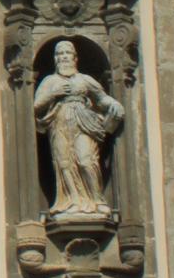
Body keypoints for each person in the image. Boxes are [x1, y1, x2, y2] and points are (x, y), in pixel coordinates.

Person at [34, 39, 123, 215]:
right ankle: (71, 201)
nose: (64, 57)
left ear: (75, 58)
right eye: (60, 54)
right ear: (55, 59)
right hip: (58, 123)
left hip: (83, 122)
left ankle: (96, 200)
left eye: (67, 53)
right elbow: (36, 106)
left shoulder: (85, 80)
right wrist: (53, 94)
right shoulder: (50, 81)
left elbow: (101, 98)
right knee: (64, 163)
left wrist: (114, 104)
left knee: (85, 160)